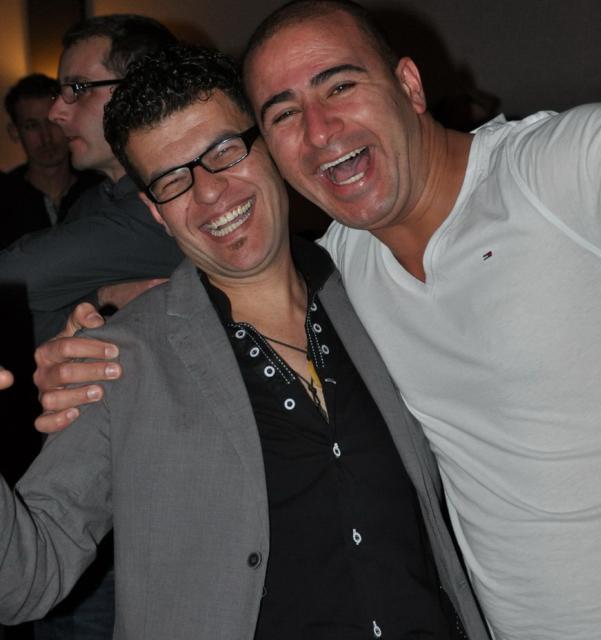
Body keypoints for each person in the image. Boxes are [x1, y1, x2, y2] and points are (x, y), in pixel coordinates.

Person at [37, 2, 601, 639]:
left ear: (409, 85)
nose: (320, 130)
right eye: (284, 114)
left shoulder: (569, 167)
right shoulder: (348, 264)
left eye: (340, 86)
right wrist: (105, 324)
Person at [0, 44, 488, 640]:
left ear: (268, 146)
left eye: (224, 151)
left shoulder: (378, 286)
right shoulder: (120, 358)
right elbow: (24, 581)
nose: (209, 192)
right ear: (154, 211)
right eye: (172, 180)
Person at [0, 15, 182, 346]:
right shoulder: (93, 200)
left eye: (79, 89)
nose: (56, 113)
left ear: (142, 91)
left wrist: (90, 301)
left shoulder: (173, 200)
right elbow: (27, 330)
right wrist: (102, 297)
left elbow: (12, 276)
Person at [2, 73, 101, 248]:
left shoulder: (100, 190)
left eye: (52, 122)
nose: (46, 137)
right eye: (32, 126)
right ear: (15, 132)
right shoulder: (5, 198)